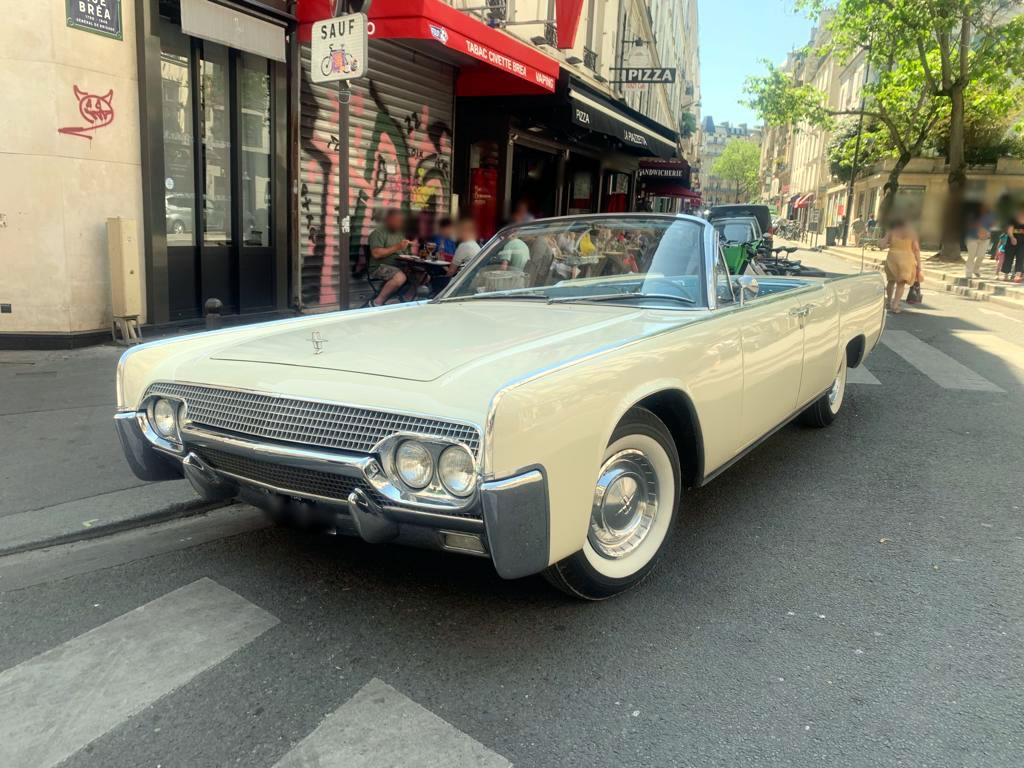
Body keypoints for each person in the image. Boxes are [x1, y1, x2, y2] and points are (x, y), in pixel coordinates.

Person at [366, 209, 411, 306]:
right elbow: (376, 254)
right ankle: (376, 302)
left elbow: (405, 253)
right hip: (379, 267)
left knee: (422, 275)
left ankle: (405, 299)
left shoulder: (400, 234)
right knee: (400, 277)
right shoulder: (378, 233)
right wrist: (397, 247)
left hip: (399, 266)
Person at [879, 217, 921, 313]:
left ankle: (888, 302)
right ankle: (895, 305)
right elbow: (916, 249)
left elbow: (882, 245)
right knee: (901, 283)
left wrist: (888, 245)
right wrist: (919, 264)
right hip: (907, 258)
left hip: (892, 257)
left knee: (891, 281)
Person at [964, 203, 993, 279]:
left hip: (985, 238)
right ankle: (968, 273)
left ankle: (976, 269)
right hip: (972, 238)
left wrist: (988, 233)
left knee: (981, 256)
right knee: (972, 255)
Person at [1000, 206, 1024, 283]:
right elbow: (1010, 230)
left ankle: (1018, 276)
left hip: (1022, 242)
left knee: (1020, 258)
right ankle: (1006, 275)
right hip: (1012, 240)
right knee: (1009, 257)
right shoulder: (1013, 219)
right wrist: (1012, 238)